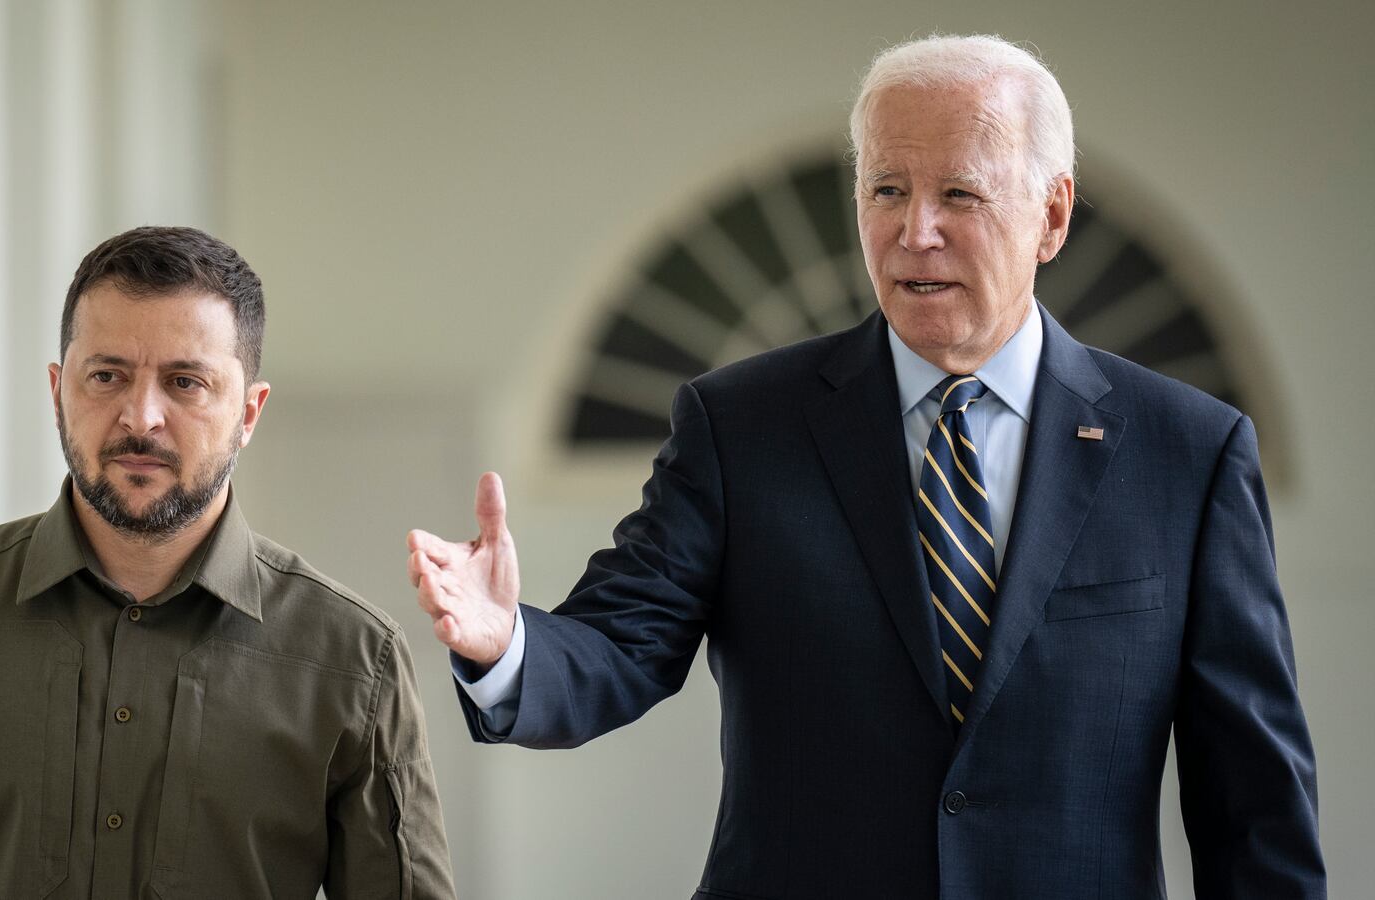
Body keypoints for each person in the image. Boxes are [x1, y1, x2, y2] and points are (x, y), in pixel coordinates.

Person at [408, 35, 1324, 899]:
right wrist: (507, 646)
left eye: (959, 194)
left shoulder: (1188, 454)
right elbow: (619, 645)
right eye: (886, 190)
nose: (914, 230)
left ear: (1051, 215)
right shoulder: (740, 426)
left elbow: (1254, 805)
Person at [0, 226, 455, 899]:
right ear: (57, 391)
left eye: (185, 382)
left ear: (250, 412)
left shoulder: (355, 661)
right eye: (107, 376)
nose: (141, 418)